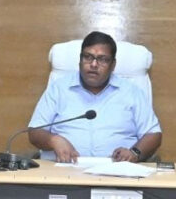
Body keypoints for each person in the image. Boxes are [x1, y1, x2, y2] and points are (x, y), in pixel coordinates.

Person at [28, 31, 162, 163]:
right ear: (79, 60)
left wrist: (134, 153)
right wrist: (54, 140)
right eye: (88, 57)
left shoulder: (131, 92)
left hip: (117, 170)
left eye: (102, 59)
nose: (93, 64)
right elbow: (35, 131)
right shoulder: (58, 89)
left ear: (113, 65)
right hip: (64, 169)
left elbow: (153, 134)